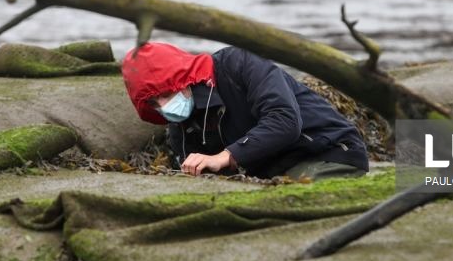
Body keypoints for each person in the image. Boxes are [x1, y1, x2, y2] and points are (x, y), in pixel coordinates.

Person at [121, 42, 369, 180]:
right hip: (271, 171)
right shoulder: (180, 122)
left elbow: (285, 120)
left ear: (183, 78)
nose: (164, 106)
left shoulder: (240, 63)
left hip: (325, 152)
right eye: (154, 103)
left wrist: (225, 156)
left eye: (166, 94)